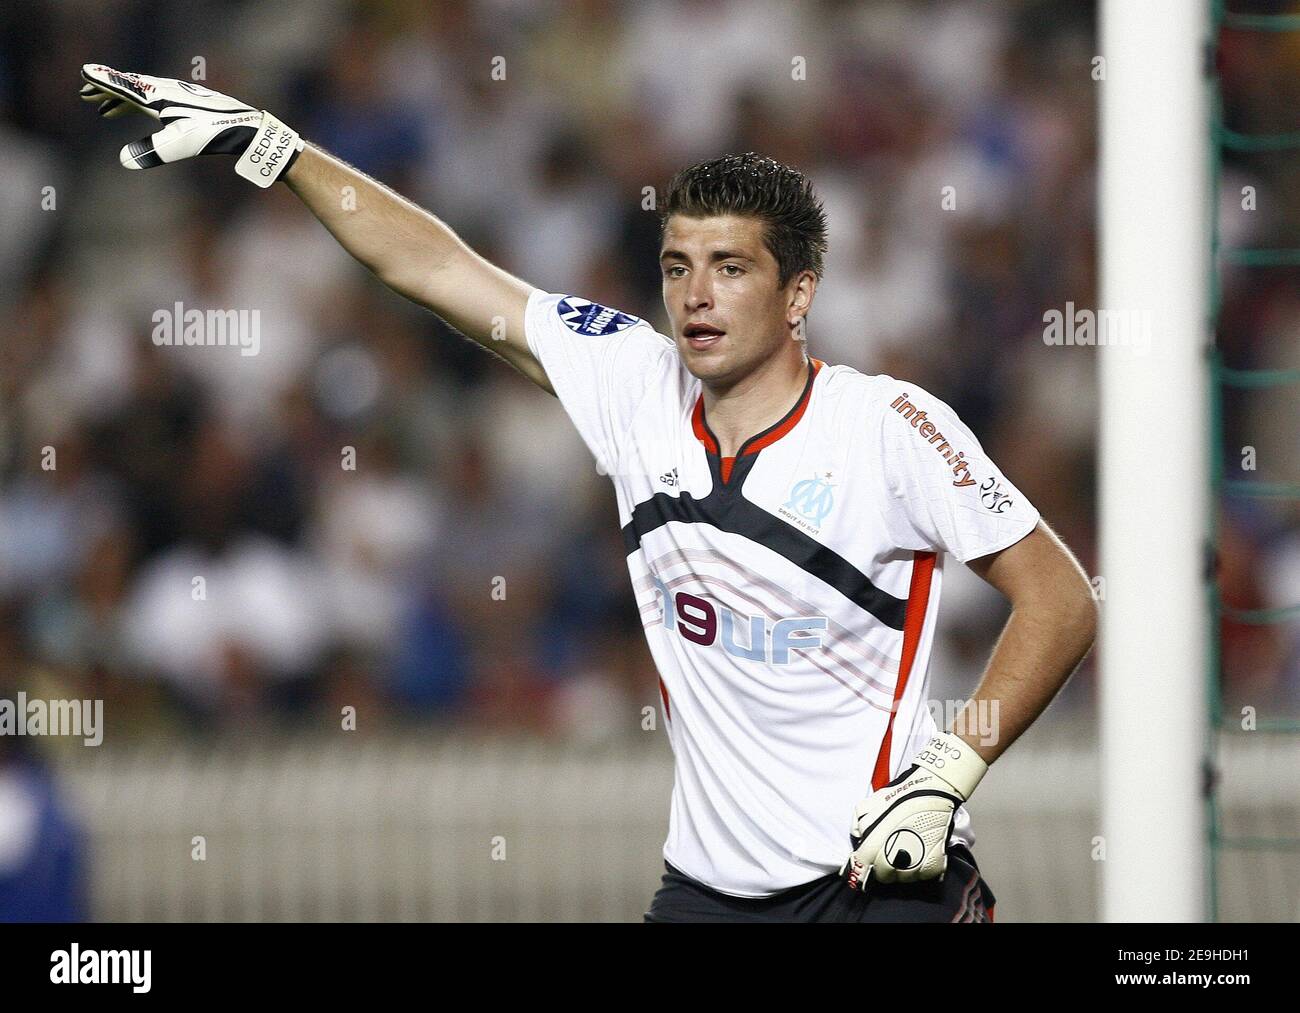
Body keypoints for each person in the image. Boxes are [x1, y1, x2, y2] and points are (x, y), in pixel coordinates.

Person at [78, 66, 1099, 922]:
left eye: (731, 268)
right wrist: (280, 150)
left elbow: (1060, 597)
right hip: (706, 890)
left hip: (881, 879)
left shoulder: (886, 428)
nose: (695, 293)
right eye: (677, 265)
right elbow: (435, 266)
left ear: (799, 293)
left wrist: (946, 774)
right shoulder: (632, 381)